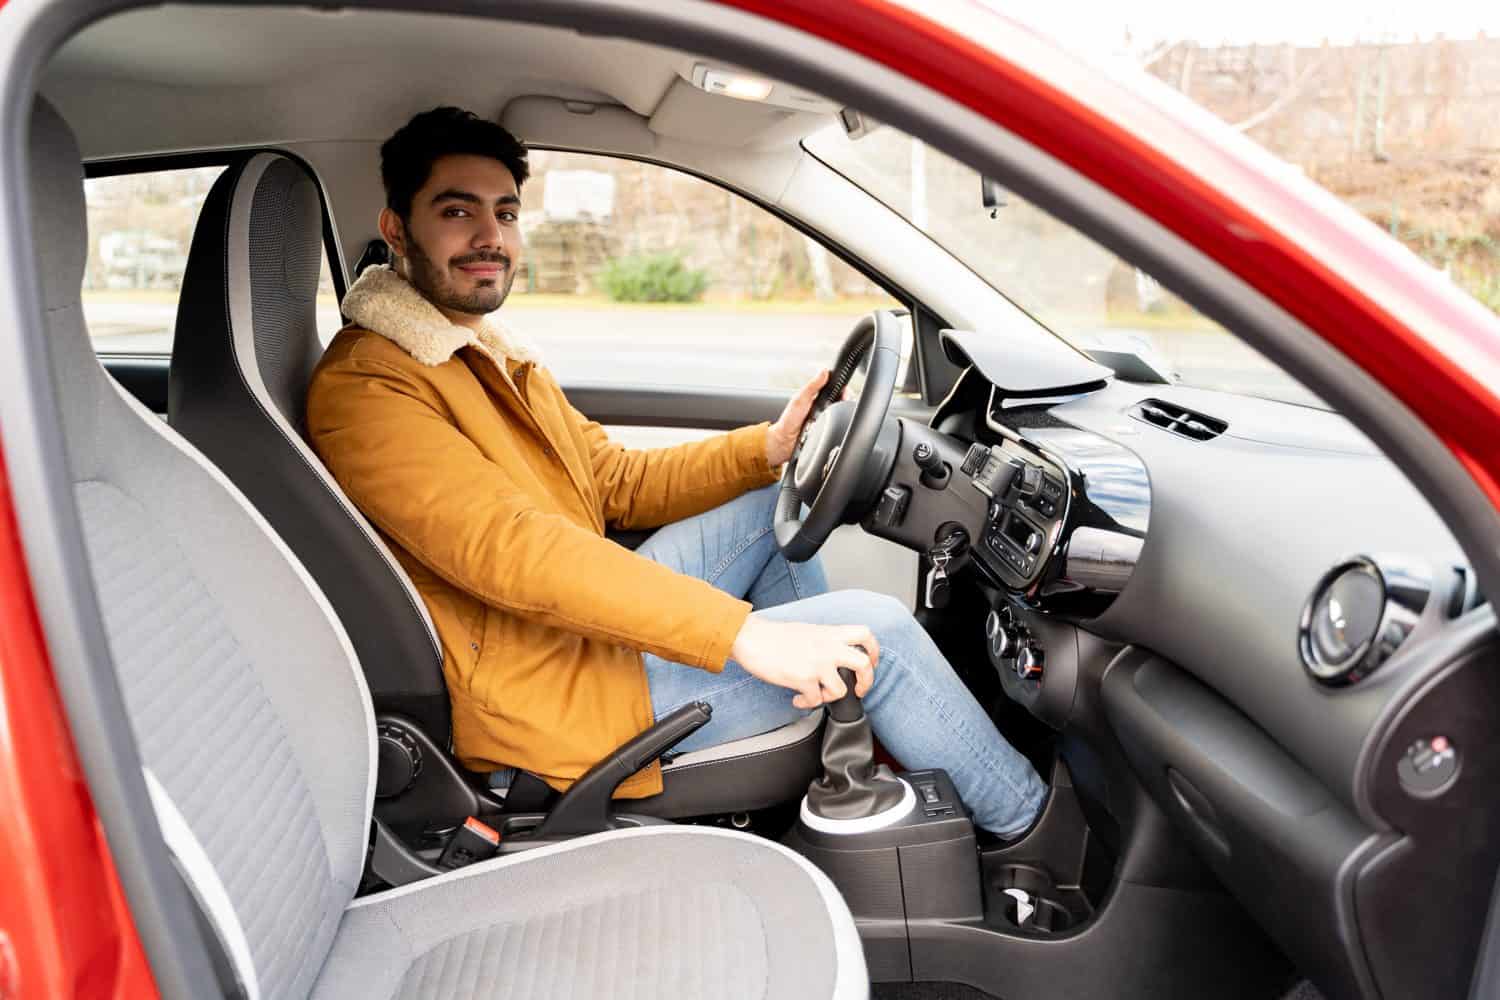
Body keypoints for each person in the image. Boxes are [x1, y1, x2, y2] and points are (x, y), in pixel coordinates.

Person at [306, 107, 1046, 837]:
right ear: (397, 228)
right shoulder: (370, 389)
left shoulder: (479, 347)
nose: (490, 237)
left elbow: (610, 480)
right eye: (457, 211)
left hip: (570, 637)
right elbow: (516, 550)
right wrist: (741, 636)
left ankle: (837, 731)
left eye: (505, 212)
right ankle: (1034, 838)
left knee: (770, 498)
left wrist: (769, 448)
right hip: (547, 690)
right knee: (873, 634)